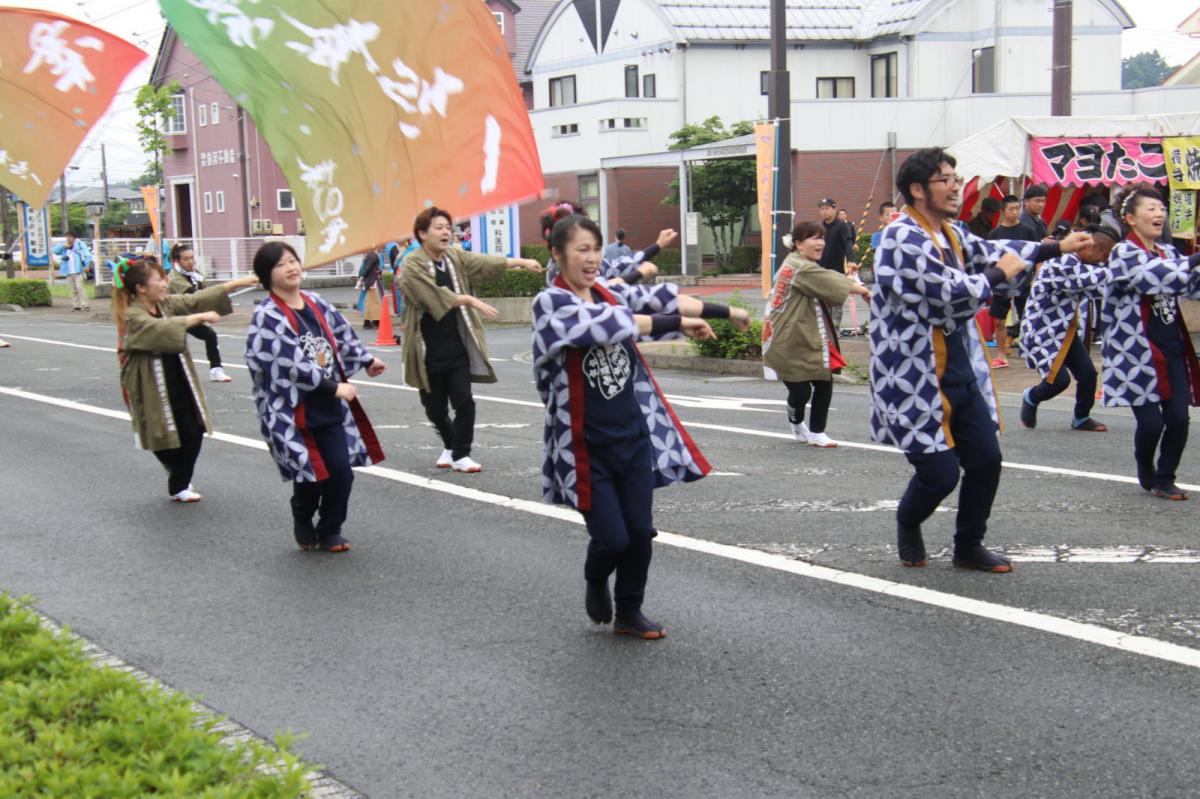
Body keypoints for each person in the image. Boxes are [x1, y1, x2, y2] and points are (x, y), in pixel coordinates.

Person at [870, 148, 1090, 573]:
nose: (955, 186)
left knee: (987, 461)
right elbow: (950, 292)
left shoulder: (950, 232)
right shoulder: (901, 237)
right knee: (939, 475)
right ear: (917, 190)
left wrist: (1056, 247)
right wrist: (1000, 274)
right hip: (913, 375)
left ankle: (968, 545)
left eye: (955, 177)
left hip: (959, 367)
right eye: (945, 179)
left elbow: (995, 251)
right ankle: (908, 520)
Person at [532, 214, 742, 639]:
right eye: (581, 250)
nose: (592, 259)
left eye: (595, 249)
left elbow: (660, 300)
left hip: (632, 436)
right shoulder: (551, 304)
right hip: (583, 447)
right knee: (612, 539)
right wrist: (678, 324)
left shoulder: (608, 291)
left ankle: (630, 611)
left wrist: (726, 312)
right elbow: (610, 324)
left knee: (641, 534)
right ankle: (595, 577)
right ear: (558, 254)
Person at [244, 242, 388, 552]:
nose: (291, 267)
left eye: (293, 260)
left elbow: (342, 335)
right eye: (281, 264)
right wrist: (335, 387)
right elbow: (288, 362)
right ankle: (302, 515)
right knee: (311, 474)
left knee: (341, 473)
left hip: (327, 407)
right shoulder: (267, 316)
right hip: (292, 410)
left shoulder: (316, 302)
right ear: (267, 274)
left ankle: (330, 528)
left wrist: (365, 359)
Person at [398, 206, 543, 473]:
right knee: (434, 409)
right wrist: (467, 299)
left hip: (456, 345)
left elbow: (481, 262)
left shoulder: (453, 256)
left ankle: (461, 453)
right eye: (438, 228)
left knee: (464, 401)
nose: (445, 232)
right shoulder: (411, 265)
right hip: (425, 349)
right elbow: (428, 296)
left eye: (447, 227)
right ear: (422, 234)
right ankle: (450, 445)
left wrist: (520, 262)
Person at [113, 256, 258, 502]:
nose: (165, 283)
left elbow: (196, 299)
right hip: (147, 382)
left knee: (194, 429)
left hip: (178, 376)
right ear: (141, 287)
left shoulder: (166, 304)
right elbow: (157, 329)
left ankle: (179, 480)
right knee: (159, 436)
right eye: (159, 279)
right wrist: (199, 318)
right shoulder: (131, 314)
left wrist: (242, 282)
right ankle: (178, 477)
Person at [1101, 186, 1200, 501]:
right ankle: (1144, 463)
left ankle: (1165, 477)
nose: (1159, 214)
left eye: (1161, 208)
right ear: (1130, 218)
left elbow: (1189, 285)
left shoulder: (1169, 252)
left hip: (1172, 348)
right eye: (1151, 208)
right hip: (1136, 354)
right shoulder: (1123, 253)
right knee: (1152, 423)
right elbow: (1153, 276)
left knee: (1179, 420)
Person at [762, 220, 870, 448]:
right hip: (787, 338)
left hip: (807, 335)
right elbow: (829, 280)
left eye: (822, 238)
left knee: (823, 379)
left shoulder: (803, 264)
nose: (821, 242)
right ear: (799, 244)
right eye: (814, 238)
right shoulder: (798, 266)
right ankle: (795, 418)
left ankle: (817, 432)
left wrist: (851, 280)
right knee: (800, 391)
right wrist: (864, 290)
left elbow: (828, 277)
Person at [1019, 219, 1121, 432]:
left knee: (1088, 374)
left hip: (1065, 331)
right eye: (1103, 256)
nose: (1102, 261)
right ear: (1092, 248)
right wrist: (1121, 271)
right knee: (1058, 381)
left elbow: (1097, 289)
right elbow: (1085, 281)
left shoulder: (1079, 263)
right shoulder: (1063, 261)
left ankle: (1081, 418)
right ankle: (1031, 396)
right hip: (1042, 330)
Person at [986, 195, 1040, 367]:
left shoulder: (1028, 231)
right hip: (1002, 282)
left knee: (1029, 318)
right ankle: (1001, 355)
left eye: (1017, 208)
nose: (1015, 212)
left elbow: (1038, 254)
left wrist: (1036, 275)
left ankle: (1031, 352)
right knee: (999, 320)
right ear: (1002, 211)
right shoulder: (995, 234)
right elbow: (990, 259)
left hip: (1024, 281)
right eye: (1011, 209)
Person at [167, 243, 233, 382]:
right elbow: (195, 296)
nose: (190, 261)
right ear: (178, 261)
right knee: (172, 348)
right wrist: (221, 292)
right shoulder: (174, 278)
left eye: (192, 257)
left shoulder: (195, 274)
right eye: (186, 259)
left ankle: (216, 370)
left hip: (190, 315)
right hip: (173, 317)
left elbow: (204, 294)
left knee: (210, 335)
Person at [817, 198, 858, 330]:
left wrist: (851, 260)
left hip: (836, 269)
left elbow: (847, 244)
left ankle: (835, 330)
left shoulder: (842, 226)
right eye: (822, 209)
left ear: (834, 209)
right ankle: (826, 330)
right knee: (822, 301)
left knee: (836, 299)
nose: (824, 212)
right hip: (820, 269)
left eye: (827, 208)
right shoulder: (819, 227)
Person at [54, 232, 93, 312]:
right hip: (68, 271)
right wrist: (63, 246)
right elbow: (55, 251)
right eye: (67, 237)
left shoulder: (80, 245)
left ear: (74, 238)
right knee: (73, 289)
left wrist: (87, 265)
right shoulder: (65, 246)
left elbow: (87, 255)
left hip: (79, 270)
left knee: (80, 287)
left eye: (70, 237)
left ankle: (85, 305)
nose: (68, 239)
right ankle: (76, 306)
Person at [356, 249, 383, 330]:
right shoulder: (373, 256)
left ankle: (367, 322)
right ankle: (375, 321)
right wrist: (361, 278)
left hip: (370, 282)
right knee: (375, 302)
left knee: (370, 302)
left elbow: (367, 269)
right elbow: (367, 269)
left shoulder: (370, 255)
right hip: (372, 282)